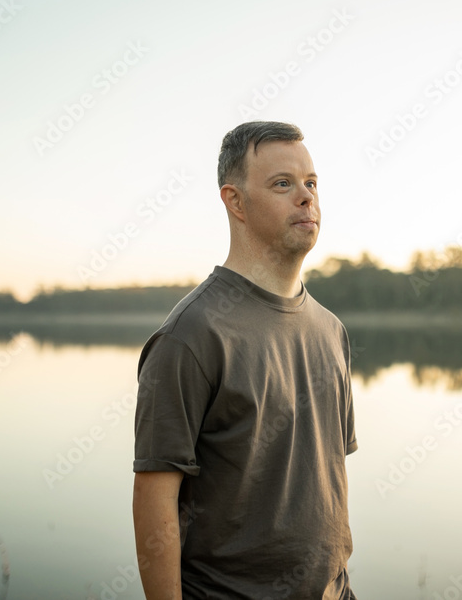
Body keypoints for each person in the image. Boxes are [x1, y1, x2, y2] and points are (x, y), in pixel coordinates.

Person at [131, 121, 359, 599]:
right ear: (235, 201)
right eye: (283, 184)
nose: (305, 197)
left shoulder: (332, 331)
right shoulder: (192, 335)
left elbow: (326, 487)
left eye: (311, 183)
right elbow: (156, 498)